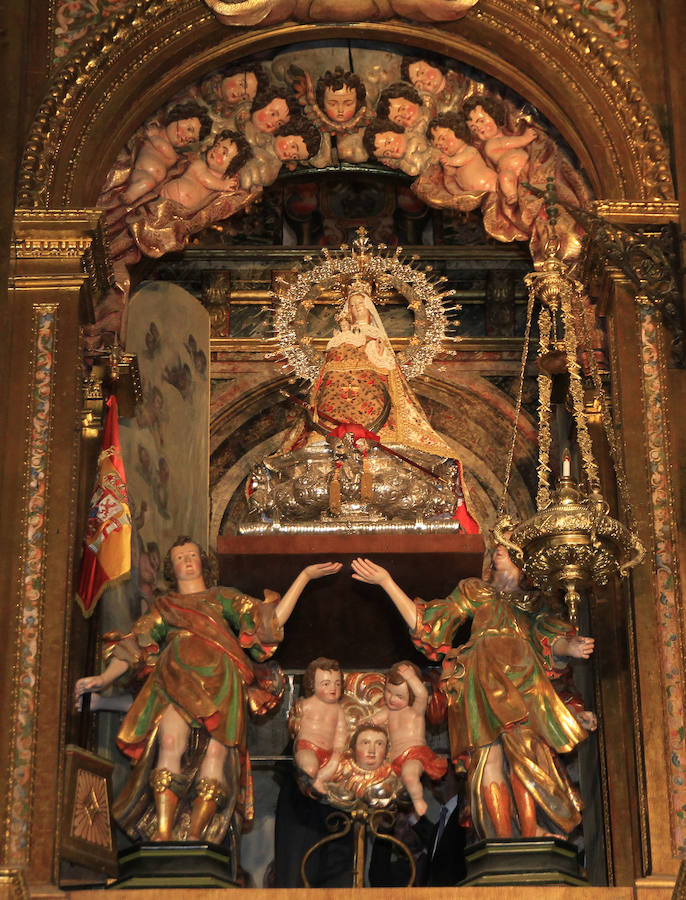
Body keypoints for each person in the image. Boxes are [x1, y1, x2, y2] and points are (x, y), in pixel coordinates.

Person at [75, 536, 341, 844]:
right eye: (179, 557)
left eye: (192, 555)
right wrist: (105, 679)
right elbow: (136, 642)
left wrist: (304, 578)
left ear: (203, 562)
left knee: (216, 755)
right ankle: (163, 831)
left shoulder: (223, 597)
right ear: (171, 569)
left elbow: (268, 621)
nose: (187, 560)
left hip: (223, 682)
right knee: (171, 740)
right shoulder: (165, 606)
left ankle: (198, 835)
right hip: (176, 678)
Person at [351, 547, 596, 840]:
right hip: (479, 674)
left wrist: (569, 647)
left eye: (507, 545)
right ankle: (502, 839)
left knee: (527, 753)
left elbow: (549, 637)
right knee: (487, 758)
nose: (498, 550)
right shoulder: (475, 589)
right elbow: (429, 621)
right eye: (497, 547)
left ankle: (530, 834)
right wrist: (387, 582)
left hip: (523, 679)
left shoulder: (535, 602)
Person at [279, 277, 480, 532]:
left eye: (360, 305)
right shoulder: (337, 340)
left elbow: (386, 370)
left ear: (369, 308)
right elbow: (326, 378)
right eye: (351, 306)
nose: (356, 310)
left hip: (377, 416)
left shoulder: (376, 338)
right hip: (331, 420)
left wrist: (375, 350)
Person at [373, 661, 447, 816]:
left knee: (409, 776)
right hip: (393, 759)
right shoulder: (388, 712)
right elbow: (371, 721)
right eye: (388, 692)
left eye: (399, 696)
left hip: (414, 754)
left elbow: (422, 694)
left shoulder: (415, 711)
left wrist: (411, 677)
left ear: (410, 696)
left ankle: (418, 800)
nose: (392, 699)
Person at [462, 97, 537, 206]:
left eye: (482, 121)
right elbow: (508, 143)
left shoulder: (504, 135)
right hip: (510, 172)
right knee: (504, 178)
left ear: (494, 115)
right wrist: (525, 139)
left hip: (526, 166)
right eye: (475, 129)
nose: (480, 128)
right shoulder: (490, 144)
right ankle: (512, 195)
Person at [290, 657, 347, 792]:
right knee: (309, 766)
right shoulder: (306, 704)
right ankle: (308, 774)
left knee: (337, 762)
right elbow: (294, 723)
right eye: (326, 684)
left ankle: (319, 779)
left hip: (330, 752)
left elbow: (341, 730)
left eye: (337, 684)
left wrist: (339, 747)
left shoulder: (338, 709)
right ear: (312, 685)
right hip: (308, 747)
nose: (333, 688)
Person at [428, 113, 497, 194]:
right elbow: (449, 181)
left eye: (443, 138)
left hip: (490, 184)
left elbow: (462, 159)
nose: (442, 145)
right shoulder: (450, 162)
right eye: (438, 146)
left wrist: (450, 161)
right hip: (476, 195)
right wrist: (456, 192)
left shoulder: (469, 150)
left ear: (457, 130)